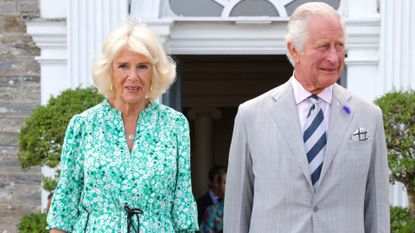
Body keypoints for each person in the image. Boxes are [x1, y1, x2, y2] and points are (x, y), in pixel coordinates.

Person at [224, 2, 389, 233]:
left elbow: (377, 210)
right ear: (294, 50)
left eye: (339, 45)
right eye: (323, 46)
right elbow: (236, 213)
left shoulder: (369, 117)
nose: (334, 57)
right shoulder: (251, 116)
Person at [47, 20, 199, 233]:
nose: (133, 77)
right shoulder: (84, 125)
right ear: (110, 70)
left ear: (155, 72)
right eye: (123, 66)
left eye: (142, 66)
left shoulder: (175, 125)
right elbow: (65, 205)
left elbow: (182, 203)